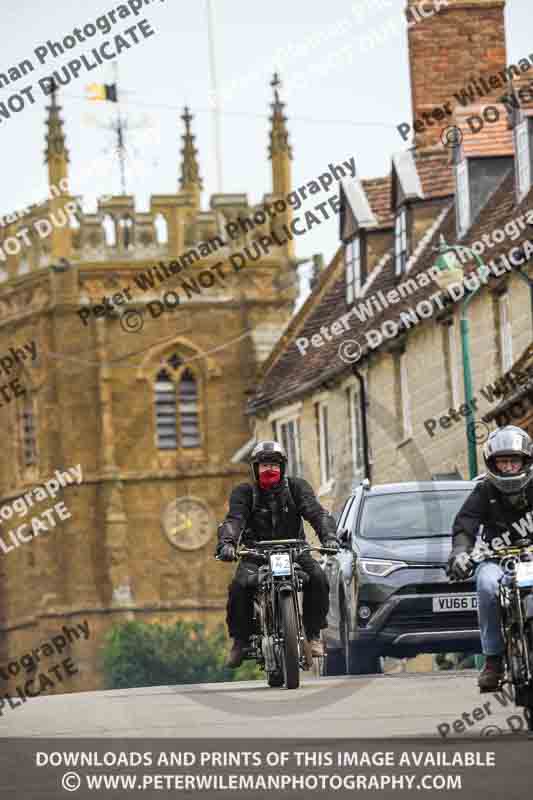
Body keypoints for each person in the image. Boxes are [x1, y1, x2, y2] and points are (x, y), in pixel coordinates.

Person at [215, 440, 339, 668]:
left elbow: (316, 513)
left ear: (282, 468)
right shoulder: (244, 493)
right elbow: (234, 520)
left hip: (295, 550)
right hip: (255, 553)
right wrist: (227, 544)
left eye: (274, 464)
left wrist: (329, 536)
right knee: (238, 587)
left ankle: (312, 635)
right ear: (255, 468)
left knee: (319, 578)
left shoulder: (297, 488)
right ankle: (240, 641)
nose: (269, 469)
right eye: (263, 465)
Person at [448, 425, 533, 691]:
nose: (508, 466)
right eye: (503, 461)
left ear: (525, 461)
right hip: (496, 559)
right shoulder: (484, 491)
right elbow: (465, 525)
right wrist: (460, 554)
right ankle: (493, 660)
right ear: (492, 463)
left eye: (513, 460)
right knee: (486, 586)